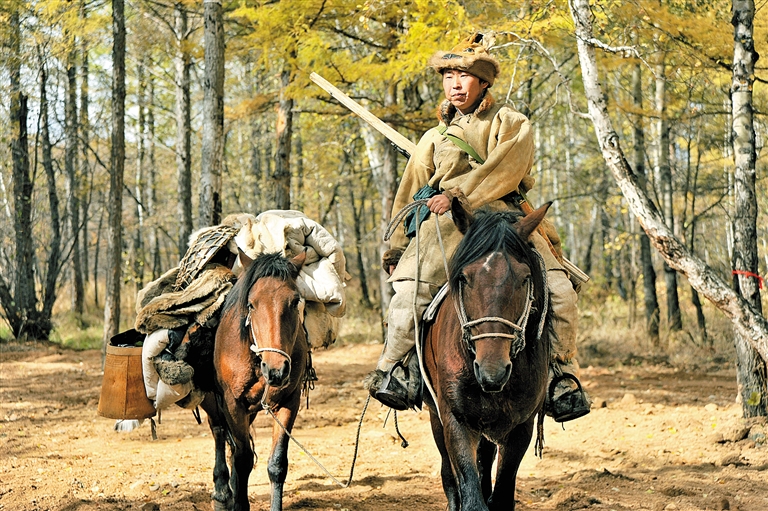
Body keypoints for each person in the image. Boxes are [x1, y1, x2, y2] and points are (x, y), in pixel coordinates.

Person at [364, 32, 591, 423]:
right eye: (448, 75)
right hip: (447, 227)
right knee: (408, 297)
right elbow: (410, 193)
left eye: (464, 75)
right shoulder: (433, 138)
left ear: (484, 82)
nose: (455, 83)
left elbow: (505, 169)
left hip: (507, 218)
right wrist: (397, 249)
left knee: (560, 292)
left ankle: (561, 376)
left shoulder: (511, 122)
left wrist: (458, 194)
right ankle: (397, 369)